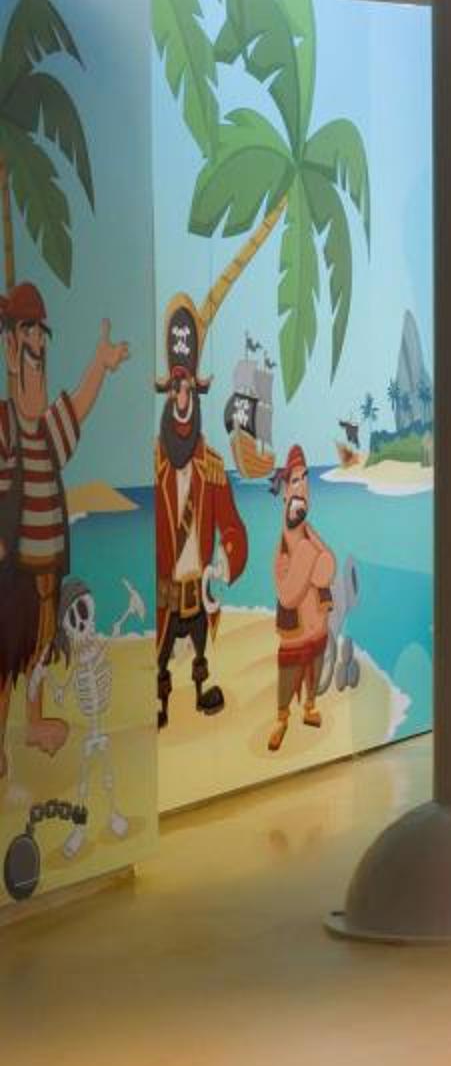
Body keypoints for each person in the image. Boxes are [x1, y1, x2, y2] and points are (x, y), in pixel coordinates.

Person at [1, 283, 126, 778]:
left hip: (48, 573)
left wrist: (100, 364)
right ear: (11, 350)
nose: (37, 367)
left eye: (41, 351)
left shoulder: (47, 431)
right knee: (6, 658)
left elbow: (77, 406)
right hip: (15, 573)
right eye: (27, 345)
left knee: (37, 651)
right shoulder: (5, 428)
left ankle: (33, 722)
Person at [152, 296, 247, 729]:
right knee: (162, 656)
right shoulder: (155, 464)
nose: (183, 397)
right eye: (176, 389)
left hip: (198, 592)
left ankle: (200, 691)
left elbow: (233, 526)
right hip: (167, 594)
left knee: (200, 653)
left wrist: (226, 560)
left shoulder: (212, 466)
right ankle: (160, 702)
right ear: (168, 394)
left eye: (189, 389)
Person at [269, 445, 337, 752]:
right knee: (289, 669)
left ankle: (309, 706)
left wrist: (315, 566)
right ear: (286, 490)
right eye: (296, 480)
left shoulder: (309, 532)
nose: (303, 486)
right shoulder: (286, 546)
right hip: (295, 627)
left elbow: (328, 565)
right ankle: (282, 718)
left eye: (306, 479)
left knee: (316, 663)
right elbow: (287, 594)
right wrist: (310, 559)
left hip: (317, 620)